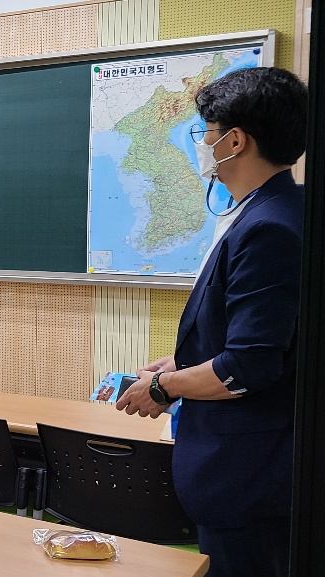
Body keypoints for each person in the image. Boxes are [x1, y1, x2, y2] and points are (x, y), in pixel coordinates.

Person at [115, 67, 308, 577]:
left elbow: (248, 364)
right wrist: (182, 361)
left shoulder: (269, 227)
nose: (202, 145)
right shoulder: (269, 209)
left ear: (236, 140)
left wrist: (163, 387)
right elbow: (254, 328)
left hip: (247, 478)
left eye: (206, 133)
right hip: (246, 472)